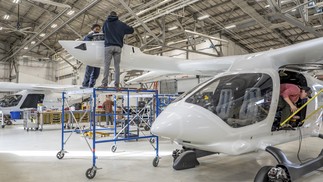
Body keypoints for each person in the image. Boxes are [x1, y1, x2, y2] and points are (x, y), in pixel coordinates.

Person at [100, 11, 134, 88]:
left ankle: (104, 84)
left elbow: (103, 32)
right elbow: (131, 30)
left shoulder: (106, 23)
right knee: (117, 66)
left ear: (109, 15)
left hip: (108, 46)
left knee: (106, 65)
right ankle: (117, 84)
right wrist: (130, 27)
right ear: (116, 15)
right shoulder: (121, 24)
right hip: (118, 47)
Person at [81, 24, 101, 88]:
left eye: (99, 29)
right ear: (93, 29)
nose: (98, 30)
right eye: (96, 29)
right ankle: (85, 85)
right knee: (88, 72)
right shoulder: (88, 36)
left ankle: (91, 85)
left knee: (96, 74)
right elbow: (85, 43)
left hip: (98, 57)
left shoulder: (100, 36)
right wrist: (91, 36)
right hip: (91, 56)